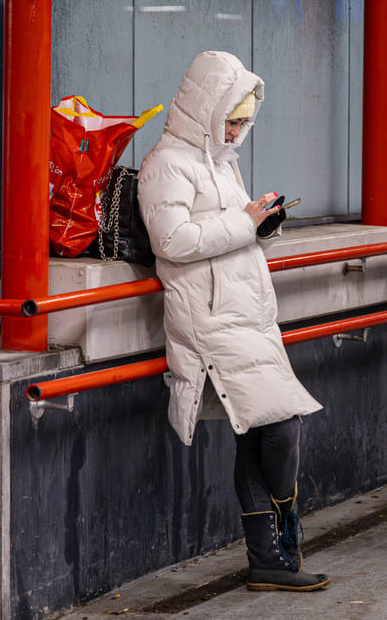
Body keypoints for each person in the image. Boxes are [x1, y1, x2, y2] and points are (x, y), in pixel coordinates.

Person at [138, 50, 329, 592]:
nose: (240, 130)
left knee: (258, 432)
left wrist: (262, 224)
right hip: (211, 320)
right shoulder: (166, 165)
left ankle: (268, 555)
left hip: (245, 316)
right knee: (280, 422)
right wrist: (244, 223)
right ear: (207, 108)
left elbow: (231, 232)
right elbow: (172, 242)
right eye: (234, 118)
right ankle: (282, 531)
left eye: (246, 121)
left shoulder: (220, 161)